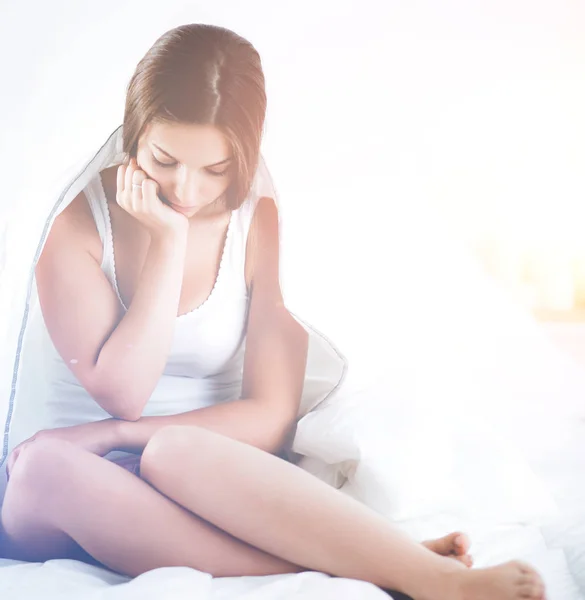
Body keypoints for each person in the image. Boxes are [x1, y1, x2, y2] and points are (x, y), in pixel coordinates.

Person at [0, 23, 546, 600]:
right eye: (164, 159)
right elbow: (124, 392)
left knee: (172, 451)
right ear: (135, 132)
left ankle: (408, 570)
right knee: (45, 471)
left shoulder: (259, 218)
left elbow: (269, 414)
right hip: (65, 484)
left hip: (197, 467)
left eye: (215, 170)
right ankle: (402, 569)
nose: (186, 190)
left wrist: (118, 436)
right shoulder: (79, 224)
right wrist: (168, 244)